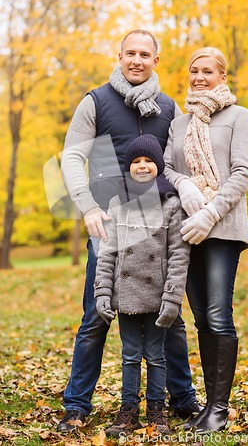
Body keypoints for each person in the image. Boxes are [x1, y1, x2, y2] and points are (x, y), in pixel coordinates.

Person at [58, 29, 201, 432]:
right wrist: (87, 206)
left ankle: (183, 398)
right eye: (129, 53)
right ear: (118, 56)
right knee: (95, 314)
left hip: (159, 225)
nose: (136, 60)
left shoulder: (169, 107)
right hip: (109, 224)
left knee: (170, 316)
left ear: (156, 60)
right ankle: (77, 404)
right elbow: (72, 157)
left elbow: (178, 163)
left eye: (144, 54)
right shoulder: (97, 101)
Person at [164, 47, 248, 433]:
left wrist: (209, 212)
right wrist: (183, 184)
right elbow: (166, 167)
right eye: (194, 71)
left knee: (219, 315)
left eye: (207, 71)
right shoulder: (179, 123)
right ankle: (207, 406)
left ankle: (219, 409)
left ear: (222, 75)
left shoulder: (239, 116)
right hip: (187, 231)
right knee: (201, 318)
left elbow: (242, 172)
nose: (199, 77)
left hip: (222, 228)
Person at [94, 134, 190, 437]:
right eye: (136, 161)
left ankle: (156, 410)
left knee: (157, 355)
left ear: (158, 166)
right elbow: (107, 252)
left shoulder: (172, 203)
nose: (143, 166)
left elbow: (178, 254)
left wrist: (173, 299)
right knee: (130, 354)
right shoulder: (116, 204)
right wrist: (102, 292)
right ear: (128, 167)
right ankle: (129, 411)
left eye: (149, 160)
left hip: (158, 294)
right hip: (126, 296)